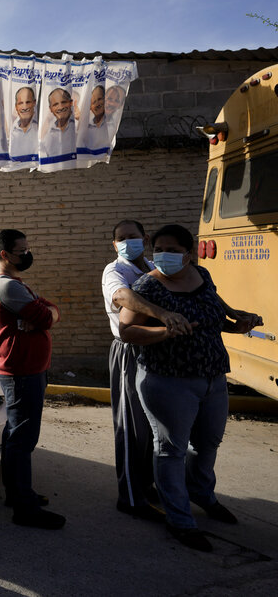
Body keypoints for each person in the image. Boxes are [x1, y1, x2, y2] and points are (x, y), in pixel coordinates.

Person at [120, 224, 262, 552]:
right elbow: (126, 331)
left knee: (208, 442)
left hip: (213, 377)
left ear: (189, 251)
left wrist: (236, 327)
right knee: (171, 450)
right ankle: (180, 519)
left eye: (172, 249)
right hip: (168, 381)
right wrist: (162, 333)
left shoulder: (202, 275)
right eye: (159, 249)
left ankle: (202, 493)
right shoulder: (146, 286)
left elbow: (210, 320)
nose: (164, 255)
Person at [103, 220, 193, 523]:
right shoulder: (115, 271)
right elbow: (122, 297)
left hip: (157, 349)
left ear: (146, 238)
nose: (128, 242)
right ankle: (129, 496)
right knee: (130, 427)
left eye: (134, 237)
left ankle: (145, 485)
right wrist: (163, 314)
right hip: (130, 350)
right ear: (115, 245)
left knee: (152, 427)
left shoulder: (155, 265)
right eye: (122, 239)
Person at [0, 229, 66, 530]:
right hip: (22, 372)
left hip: (29, 369)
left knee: (16, 434)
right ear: (5, 255)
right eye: (22, 251)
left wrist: (46, 313)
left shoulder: (17, 283)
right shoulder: (7, 286)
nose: (28, 254)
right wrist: (46, 315)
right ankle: (24, 507)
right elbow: (48, 317)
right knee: (23, 437)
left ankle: (18, 493)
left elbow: (49, 309)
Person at [41, 88, 76, 159]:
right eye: (55, 104)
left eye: (63, 102)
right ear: (50, 109)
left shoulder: (79, 125)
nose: (60, 107)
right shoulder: (47, 132)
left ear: (71, 103)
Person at [9, 86, 38, 163]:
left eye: (28, 102)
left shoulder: (43, 126)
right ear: (16, 106)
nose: (24, 107)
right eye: (20, 103)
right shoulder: (11, 129)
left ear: (34, 103)